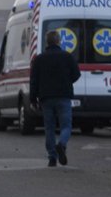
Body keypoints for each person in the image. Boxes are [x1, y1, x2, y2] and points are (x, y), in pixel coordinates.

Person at [29, 30, 81, 167]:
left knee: (49, 128)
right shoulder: (67, 57)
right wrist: (67, 81)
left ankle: (52, 157)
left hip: (46, 98)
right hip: (64, 96)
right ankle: (62, 144)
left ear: (47, 42)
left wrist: (33, 99)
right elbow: (77, 74)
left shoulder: (39, 59)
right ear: (59, 41)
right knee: (66, 125)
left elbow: (33, 80)